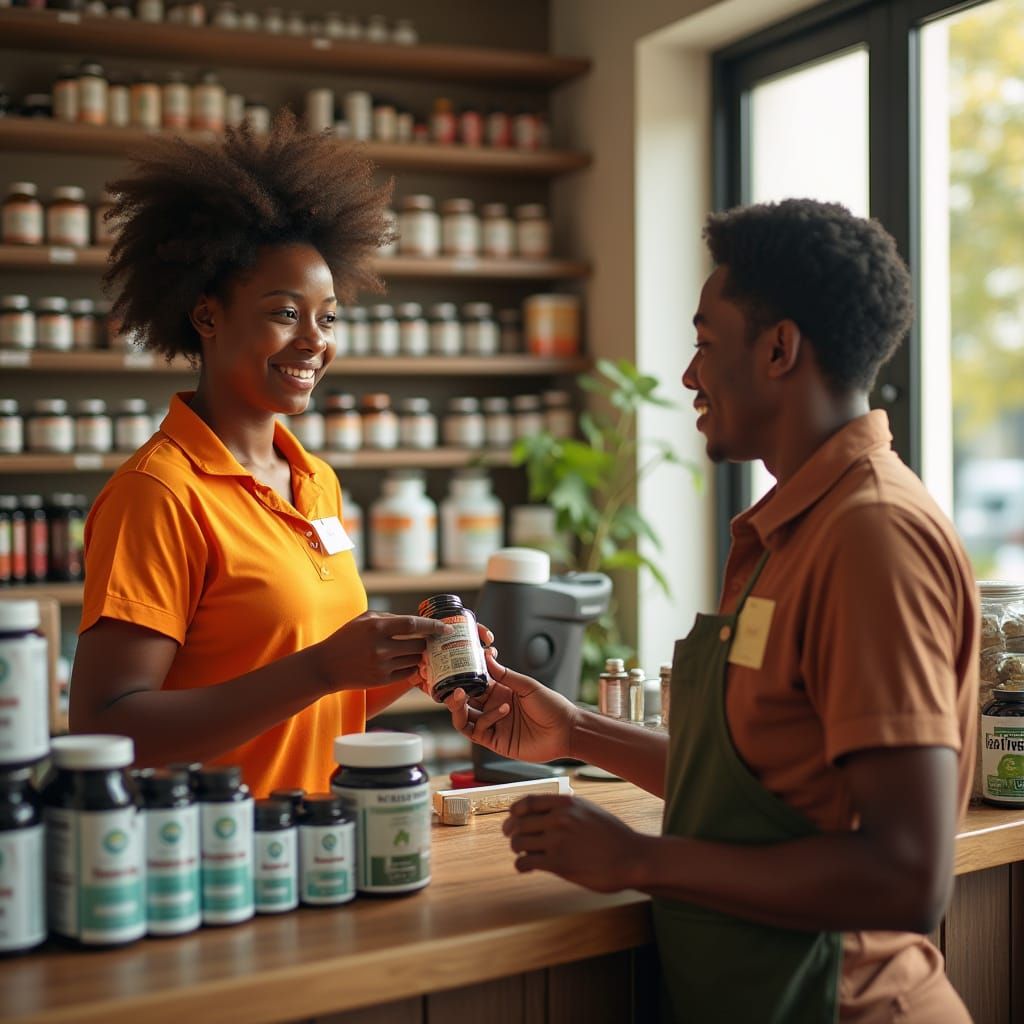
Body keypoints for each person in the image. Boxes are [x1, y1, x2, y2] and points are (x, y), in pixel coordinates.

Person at [443, 199, 978, 1022]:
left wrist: (641, 861)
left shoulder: (872, 534)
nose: (689, 377)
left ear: (779, 348)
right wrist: (575, 731)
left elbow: (904, 877)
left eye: (703, 344)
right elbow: (764, 786)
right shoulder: (792, 527)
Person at [69, 113, 454, 797]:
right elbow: (108, 731)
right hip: (212, 864)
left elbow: (303, 710)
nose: (315, 342)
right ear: (207, 314)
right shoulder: (158, 494)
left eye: (328, 317)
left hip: (316, 846)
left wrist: (409, 666)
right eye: (285, 312)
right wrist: (321, 669)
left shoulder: (315, 481)